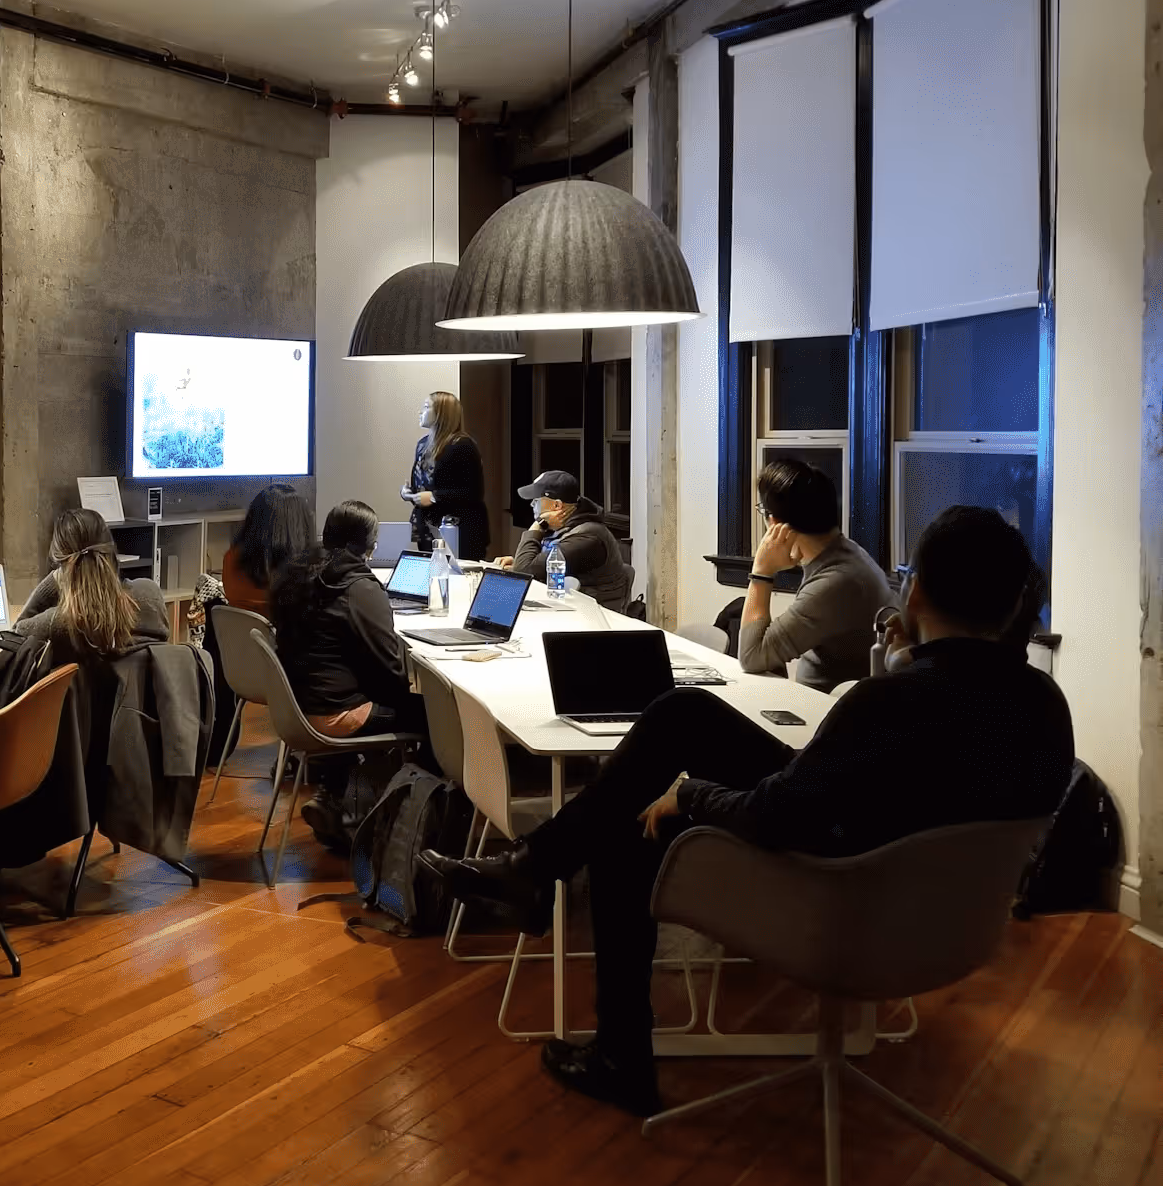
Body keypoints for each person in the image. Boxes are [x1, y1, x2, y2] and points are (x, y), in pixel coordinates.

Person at [421, 506, 1073, 1118]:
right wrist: (911, 659)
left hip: (836, 897)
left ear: (917, 592)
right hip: (942, 916)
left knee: (630, 828)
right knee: (686, 711)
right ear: (1016, 603)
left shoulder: (887, 704)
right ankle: (536, 868)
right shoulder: (1045, 708)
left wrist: (692, 795)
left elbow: (776, 815)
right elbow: (935, 762)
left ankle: (614, 1037)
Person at [271, 500, 432, 849]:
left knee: (357, 685)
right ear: (370, 545)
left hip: (295, 706)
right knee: (437, 717)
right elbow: (391, 672)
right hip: (335, 714)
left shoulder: (298, 574)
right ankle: (411, 828)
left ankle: (331, 795)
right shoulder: (359, 587)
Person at [738, 458, 895, 691]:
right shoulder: (849, 553)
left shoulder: (835, 583)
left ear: (775, 523)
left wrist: (761, 572)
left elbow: (751, 657)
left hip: (823, 713)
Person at [17, 508, 169, 657]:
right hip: (142, 683)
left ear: (63, 562)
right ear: (110, 550)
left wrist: (57, 577)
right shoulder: (150, 596)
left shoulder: (59, 622)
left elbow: (16, 634)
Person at [509, 470, 629, 609]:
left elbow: (524, 571)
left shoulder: (588, 537)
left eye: (536, 501)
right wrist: (519, 560)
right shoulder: (563, 528)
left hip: (592, 618)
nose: (531, 505)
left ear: (557, 506)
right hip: (566, 607)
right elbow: (534, 567)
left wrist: (538, 524)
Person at [404, 391, 489, 559]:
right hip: (429, 526)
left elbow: (473, 492)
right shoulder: (423, 444)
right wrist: (409, 493)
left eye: (427, 407)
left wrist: (435, 497)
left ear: (441, 414)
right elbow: (425, 484)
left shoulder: (463, 445)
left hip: (460, 529)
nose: (420, 412)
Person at [220, 484, 317, 617]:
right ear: (300, 525)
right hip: (283, 637)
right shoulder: (301, 574)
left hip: (240, 636)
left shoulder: (231, 559)